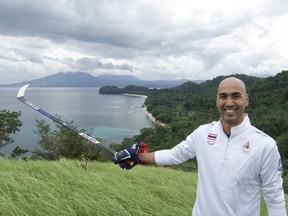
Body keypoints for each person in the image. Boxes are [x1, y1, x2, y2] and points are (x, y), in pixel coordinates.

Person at [113, 77, 287, 216]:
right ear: (216, 100)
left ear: (246, 100)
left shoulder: (265, 145)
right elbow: (174, 155)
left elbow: (274, 197)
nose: (229, 102)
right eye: (223, 96)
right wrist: (137, 155)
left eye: (236, 96)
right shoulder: (202, 133)